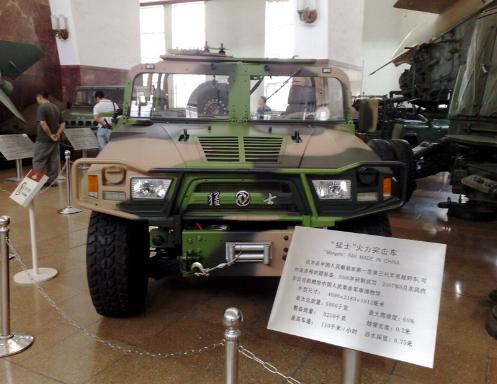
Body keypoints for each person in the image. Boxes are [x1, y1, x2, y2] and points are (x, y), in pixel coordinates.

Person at [33, 91, 65, 186]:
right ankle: (52, 181)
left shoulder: (42, 107)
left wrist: (50, 134)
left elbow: (42, 123)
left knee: (38, 160)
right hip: (55, 140)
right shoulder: (56, 107)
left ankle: (35, 183)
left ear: (40, 97)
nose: (37, 101)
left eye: (37, 99)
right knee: (53, 161)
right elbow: (63, 123)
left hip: (43, 140)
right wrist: (57, 134)